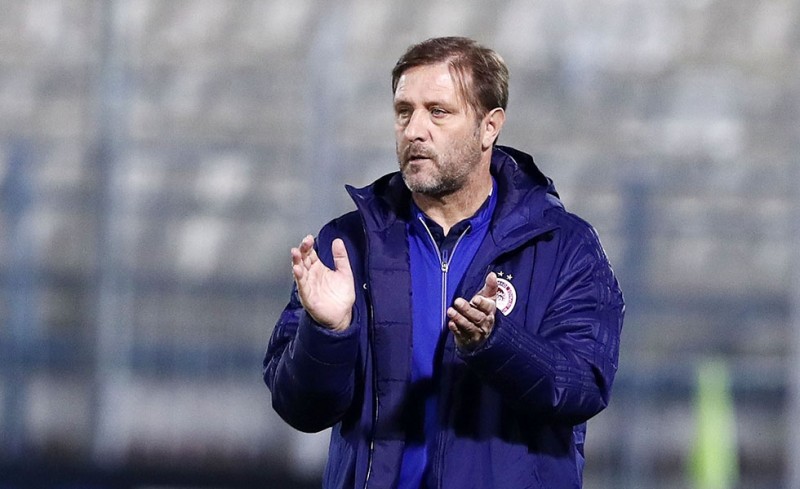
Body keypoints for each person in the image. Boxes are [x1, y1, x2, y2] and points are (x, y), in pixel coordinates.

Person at [263, 36, 624, 489]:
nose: (414, 130)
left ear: (489, 127)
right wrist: (327, 333)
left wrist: (496, 344)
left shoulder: (563, 245)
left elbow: (583, 386)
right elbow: (300, 408)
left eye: (438, 111)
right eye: (404, 111)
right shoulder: (348, 245)